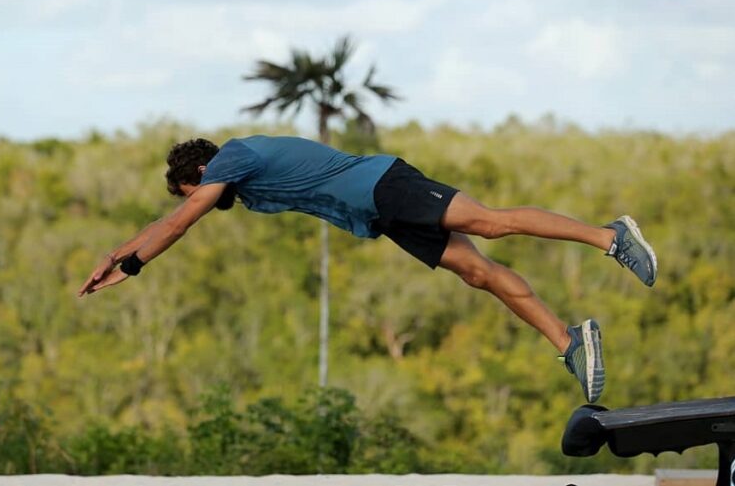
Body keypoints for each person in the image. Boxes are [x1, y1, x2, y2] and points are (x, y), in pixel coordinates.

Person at [77, 135, 658, 403]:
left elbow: (177, 225)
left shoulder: (234, 157)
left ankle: (610, 236)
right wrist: (114, 256)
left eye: (194, 192)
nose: (199, 203)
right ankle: (570, 342)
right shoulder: (241, 179)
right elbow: (164, 222)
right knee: (478, 273)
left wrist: (136, 264)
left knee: (490, 222)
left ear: (202, 172)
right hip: (379, 213)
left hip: (384, 185)